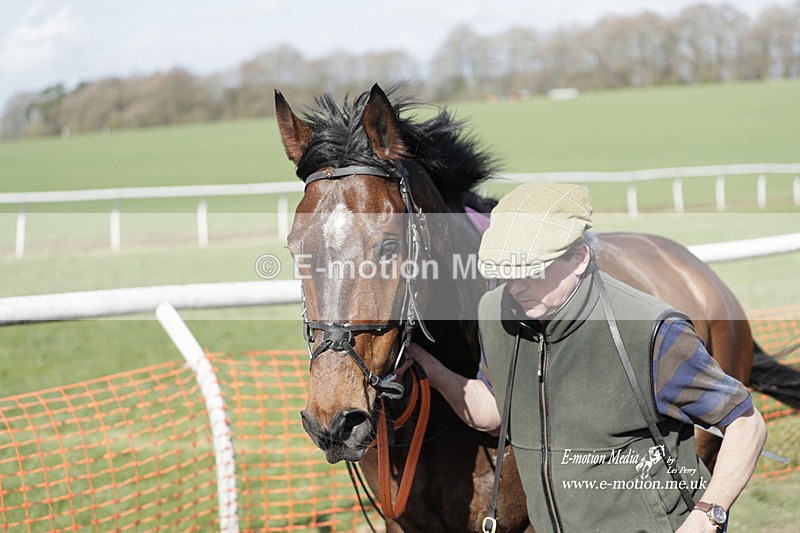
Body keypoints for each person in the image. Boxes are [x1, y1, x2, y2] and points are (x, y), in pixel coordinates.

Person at [400, 181, 767, 532]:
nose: (516, 286)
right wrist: (432, 369)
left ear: (579, 258)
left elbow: (746, 424)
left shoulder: (651, 332)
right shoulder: (497, 313)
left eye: (531, 269)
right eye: (506, 271)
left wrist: (707, 516)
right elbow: (494, 413)